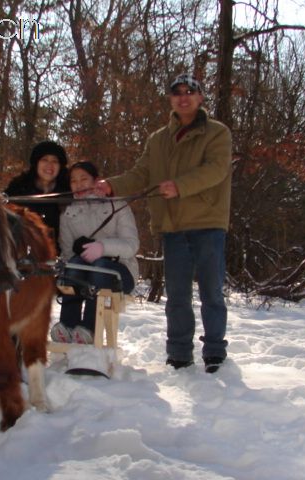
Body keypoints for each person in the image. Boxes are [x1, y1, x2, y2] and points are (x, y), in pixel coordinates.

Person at [96, 73, 232, 373]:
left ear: (200, 98)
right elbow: (141, 174)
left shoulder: (217, 133)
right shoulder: (157, 139)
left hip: (208, 224)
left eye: (190, 92)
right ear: (170, 100)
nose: (183, 97)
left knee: (211, 292)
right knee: (177, 296)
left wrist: (180, 185)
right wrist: (111, 185)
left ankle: (214, 353)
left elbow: (216, 170)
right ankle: (179, 354)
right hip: (172, 227)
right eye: (177, 93)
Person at [50, 161, 139, 344]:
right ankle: (67, 324)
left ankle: (89, 328)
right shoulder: (67, 215)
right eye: (74, 181)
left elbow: (132, 245)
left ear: (96, 181)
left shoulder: (117, 205)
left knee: (100, 268)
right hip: (83, 272)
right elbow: (67, 254)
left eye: (84, 179)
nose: (78, 184)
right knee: (74, 265)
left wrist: (103, 247)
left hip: (121, 272)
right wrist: (75, 253)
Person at [5, 140, 70, 244]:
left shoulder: (68, 191)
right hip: (21, 250)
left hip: (60, 253)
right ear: (36, 163)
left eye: (55, 161)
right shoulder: (18, 188)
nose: (50, 165)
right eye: (45, 160)